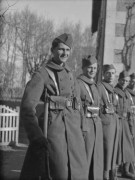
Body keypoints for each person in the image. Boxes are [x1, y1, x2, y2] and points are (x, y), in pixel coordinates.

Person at [19, 33, 88, 180]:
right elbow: (27, 108)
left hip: (73, 131)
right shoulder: (42, 74)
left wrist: (83, 127)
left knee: (78, 172)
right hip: (53, 131)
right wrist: (36, 136)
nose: (65, 53)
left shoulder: (70, 74)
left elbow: (78, 105)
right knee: (58, 172)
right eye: (61, 49)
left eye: (68, 50)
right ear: (53, 50)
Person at [77, 55, 104, 180]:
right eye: (89, 68)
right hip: (85, 124)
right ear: (83, 68)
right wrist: (81, 126)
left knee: (96, 157)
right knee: (85, 157)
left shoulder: (95, 85)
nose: (92, 70)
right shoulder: (78, 83)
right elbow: (77, 107)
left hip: (96, 125)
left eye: (94, 68)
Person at [114, 71, 135, 180]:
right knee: (117, 149)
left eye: (127, 81)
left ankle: (126, 171)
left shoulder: (128, 94)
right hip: (117, 122)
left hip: (126, 123)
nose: (125, 82)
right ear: (119, 80)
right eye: (123, 80)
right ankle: (113, 173)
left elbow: (130, 113)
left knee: (128, 148)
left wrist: (131, 127)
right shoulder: (114, 91)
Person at [98, 64, 119, 180]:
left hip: (114, 123)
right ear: (103, 74)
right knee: (106, 149)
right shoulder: (100, 87)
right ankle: (105, 175)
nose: (111, 76)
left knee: (113, 149)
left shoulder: (112, 88)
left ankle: (112, 173)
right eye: (108, 73)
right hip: (105, 123)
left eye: (113, 73)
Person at [126, 73, 135, 171]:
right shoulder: (126, 92)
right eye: (132, 82)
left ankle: (133, 164)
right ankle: (127, 167)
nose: (134, 84)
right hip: (128, 121)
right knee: (128, 145)